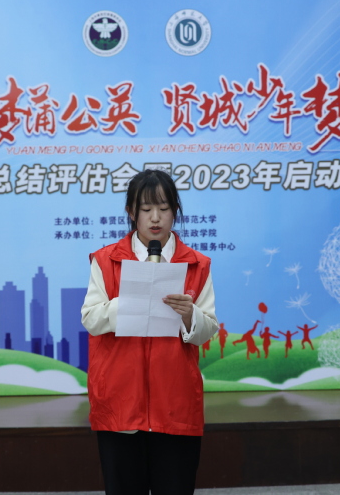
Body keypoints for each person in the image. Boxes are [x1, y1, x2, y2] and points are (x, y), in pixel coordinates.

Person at [81, 169, 219, 495]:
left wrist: (190, 315)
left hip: (175, 404)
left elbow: (207, 330)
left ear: (175, 211)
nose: (155, 218)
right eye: (146, 209)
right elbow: (91, 319)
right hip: (120, 404)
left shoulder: (196, 264)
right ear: (131, 212)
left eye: (164, 208)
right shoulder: (105, 261)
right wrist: (128, 302)